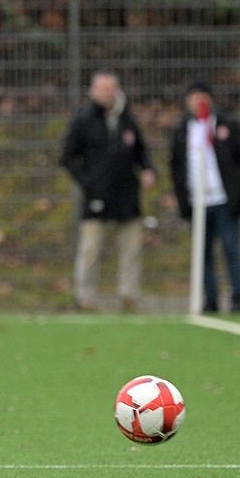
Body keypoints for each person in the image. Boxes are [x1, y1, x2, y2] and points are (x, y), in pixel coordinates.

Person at [61, 71, 156, 313]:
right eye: (102, 89)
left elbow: (141, 150)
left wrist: (147, 169)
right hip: (97, 195)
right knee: (90, 249)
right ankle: (85, 298)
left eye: (111, 89)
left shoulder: (126, 118)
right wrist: (88, 182)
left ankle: (129, 295)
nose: (107, 94)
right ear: (93, 91)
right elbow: (68, 157)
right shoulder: (83, 119)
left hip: (127, 195)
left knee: (131, 248)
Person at [170, 80, 240, 313]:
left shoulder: (226, 124)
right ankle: (210, 298)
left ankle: (237, 296)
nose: (198, 101)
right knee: (202, 252)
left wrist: (237, 188)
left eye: (202, 96)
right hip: (197, 202)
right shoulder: (182, 130)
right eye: (194, 97)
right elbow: (176, 166)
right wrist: (183, 197)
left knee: (230, 247)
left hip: (224, 200)